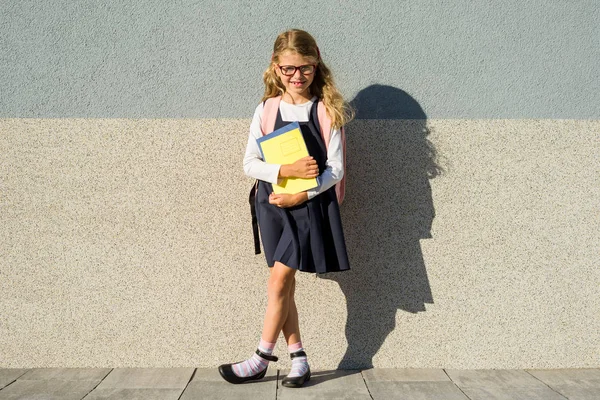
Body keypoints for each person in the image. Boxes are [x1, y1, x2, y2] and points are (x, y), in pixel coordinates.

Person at [218, 29, 353, 388]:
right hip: (272, 205)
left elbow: (335, 169)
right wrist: (285, 171)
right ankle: (299, 359)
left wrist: (300, 193)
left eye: (305, 68)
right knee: (284, 285)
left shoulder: (325, 110)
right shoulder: (266, 109)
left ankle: (260, 359)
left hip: (307, 208)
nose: (297, 76)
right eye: (289, 69)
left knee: (279, 280)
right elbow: (250, 163)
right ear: (276, 68)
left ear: (316, 64)